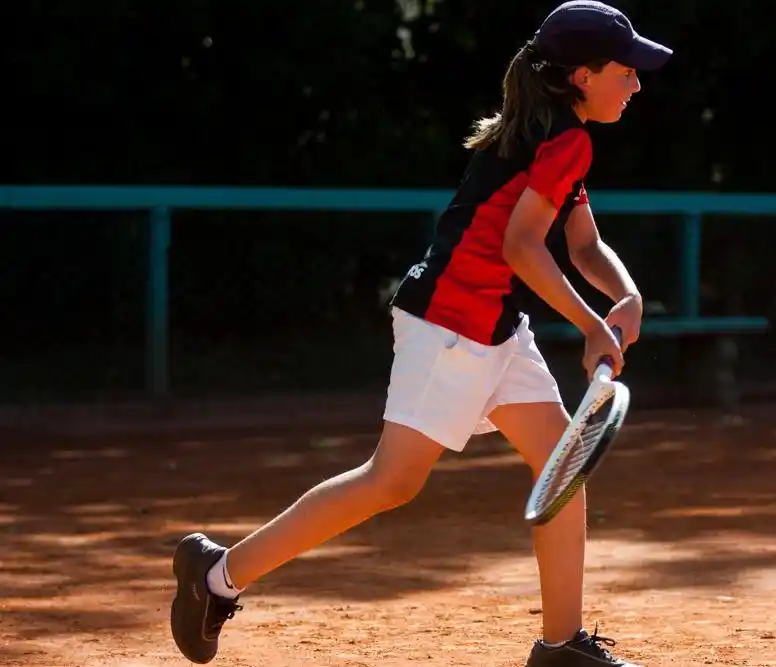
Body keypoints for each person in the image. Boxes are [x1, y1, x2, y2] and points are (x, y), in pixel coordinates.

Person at [169, 2, 672, 666]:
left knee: (561, 460)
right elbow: (525, 246)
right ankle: (215, 576)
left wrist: (627, 295)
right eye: (626, 70)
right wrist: (589, 325)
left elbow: (583, 244)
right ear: (583, 75)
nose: (637, 82)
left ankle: (560, 645)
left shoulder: (557, 134)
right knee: (390, 481)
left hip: (493, 324)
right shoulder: (560, 139)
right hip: (450, 325)